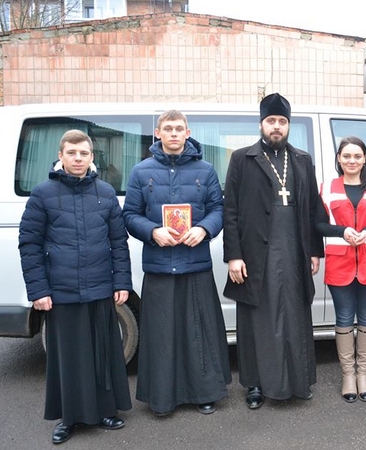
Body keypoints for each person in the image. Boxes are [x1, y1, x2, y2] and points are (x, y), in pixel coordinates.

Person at [19, 129, 132, 445]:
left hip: (100, 288)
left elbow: (118, 242)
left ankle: (105, 411)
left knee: (102, 354)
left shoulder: (105, 193)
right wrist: (38, 290)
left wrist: (122, 281)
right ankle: (69, 418)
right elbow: (29, 244)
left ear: (92, 157)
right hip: (62, 291)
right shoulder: (43, 194)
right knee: (69, 358)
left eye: (84, 153)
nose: (78, 158)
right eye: (72, 153)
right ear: (61, 156)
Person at [123, 110, 231, 417]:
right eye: (167, 128)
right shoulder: (141, 172)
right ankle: (162, 399)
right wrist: (153, 231)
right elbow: (130, 215)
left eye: (178, 128)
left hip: (195, 264)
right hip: (159, 265)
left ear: (187, 132)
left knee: (199, 333)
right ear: (157, 133)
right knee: (161, 335)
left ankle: (205, 393)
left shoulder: (206, 170)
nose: (173, 133)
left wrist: (204, 228)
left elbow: (218, 210)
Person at [223, 93, 324, 409]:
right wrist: (234, 255)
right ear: (261, 124)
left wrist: (314, 251)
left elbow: (313, 210)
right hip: (255, 256)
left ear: (288, 125)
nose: (276, 127)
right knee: (257, 321)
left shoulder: (302, 159)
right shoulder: (243, 158)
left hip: (293, 252)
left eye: (282, 121)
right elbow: (230, 210)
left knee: (294, 317)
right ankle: (255, 384)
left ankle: (298, 381)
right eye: (271, 121)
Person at [315, 137, 366, 403]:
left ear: (365, 159)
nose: (352, 161)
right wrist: (342, 231)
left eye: (357, 156)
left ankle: (364, 374)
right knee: (343, 318)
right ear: (339, 159)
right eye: (347, 156)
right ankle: (348, 375)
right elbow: (317, 224)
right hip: (340, 261)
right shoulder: (327, 187)